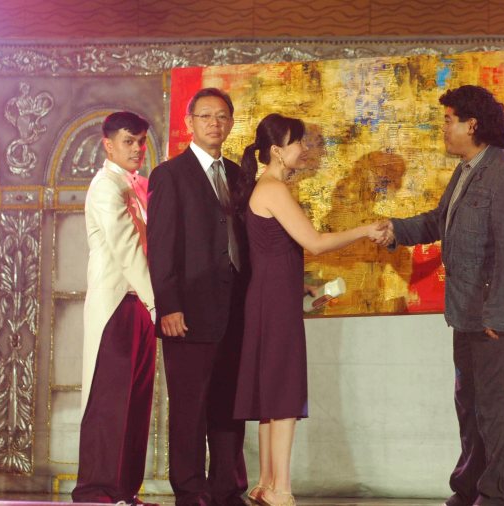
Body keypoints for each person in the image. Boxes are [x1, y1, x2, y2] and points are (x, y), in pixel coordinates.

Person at [379, 85, 504, 506]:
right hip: (468, 309)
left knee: (495, 405)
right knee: (469, 402)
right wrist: (394, 230)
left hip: (495, 313)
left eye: (448, 121)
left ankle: (496, 495)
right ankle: (469, 488)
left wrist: (497, 316)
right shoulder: (468, 169)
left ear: (472, 125)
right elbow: (439, 221)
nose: (443, 128)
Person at [232, 113, 385, 506]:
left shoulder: (267, 187)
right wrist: (365, 230)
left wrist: (304, 285)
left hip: (271, 297)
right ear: (276, 151)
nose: (304, 148)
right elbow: (314, 242)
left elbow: (274, 252)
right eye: (297, 142)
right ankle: (280, 489)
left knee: (271, 394)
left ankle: (266, 483)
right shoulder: (273, 189)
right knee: (282, 392)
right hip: (273, 302)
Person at [147, 88, 249, 506]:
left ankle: (228, 488)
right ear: (189, 122)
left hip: (235, 310)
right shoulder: (170, 175)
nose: (214, 123)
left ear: (231, 123)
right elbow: (161, 246)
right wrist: (169, 306)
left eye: (222, 116)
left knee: (229, 404)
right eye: (205, 116)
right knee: (189, 408)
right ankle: (190, 492)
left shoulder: (238, 175)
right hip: (188, 312)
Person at [73, 111, 157, 505]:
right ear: (108, 145)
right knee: (109, 400)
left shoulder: (140, 184)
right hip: (117, 305)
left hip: (139, 302)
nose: (137, 148)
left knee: (136, 400)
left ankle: (124, 491)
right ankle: (96, 492)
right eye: (129, 141)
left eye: (141, 141)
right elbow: (127, 249)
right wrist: (157, 303)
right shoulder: (106, 186)